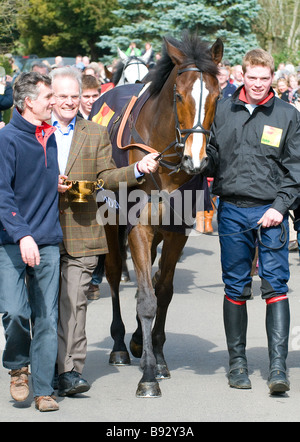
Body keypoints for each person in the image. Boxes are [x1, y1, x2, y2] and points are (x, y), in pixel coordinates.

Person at [50, 66, 158, 397]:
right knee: (29, 308)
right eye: (62, 96)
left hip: (80, 229)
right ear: (49, 98)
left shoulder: (95, 133)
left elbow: (102, 182)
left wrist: (136, 169)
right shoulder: (31, 132)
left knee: (74, 305)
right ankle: (29, 365)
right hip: (34, 230)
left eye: (74, 96)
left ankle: (69, 371)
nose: (69, 102)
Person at [203, 48, 300, 395]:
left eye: (264, 77)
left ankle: (278, 368)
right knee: (236, 287)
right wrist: (201, 162)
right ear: (241, 76)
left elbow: (296, 168)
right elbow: (211, 157)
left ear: (271, 77)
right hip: (232, 211)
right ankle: (238, 364)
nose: (258, 84)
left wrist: (280, 205)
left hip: (270, 213)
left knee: (275, 286)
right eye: (252, 77)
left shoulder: (287, 114)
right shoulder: (222, 111)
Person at [0, 72, 62, 412]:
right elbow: (3, 194)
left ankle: (43, 389)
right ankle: (17, 367)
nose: (53, 101)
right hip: (12, 241)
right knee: (14, 312)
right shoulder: (6, 139)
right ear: (29, 103)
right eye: (48, 96)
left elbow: (34, 178)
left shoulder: (48, 135)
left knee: (47, 319)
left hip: (49, 240)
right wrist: (22, 234)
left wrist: (55, 181)